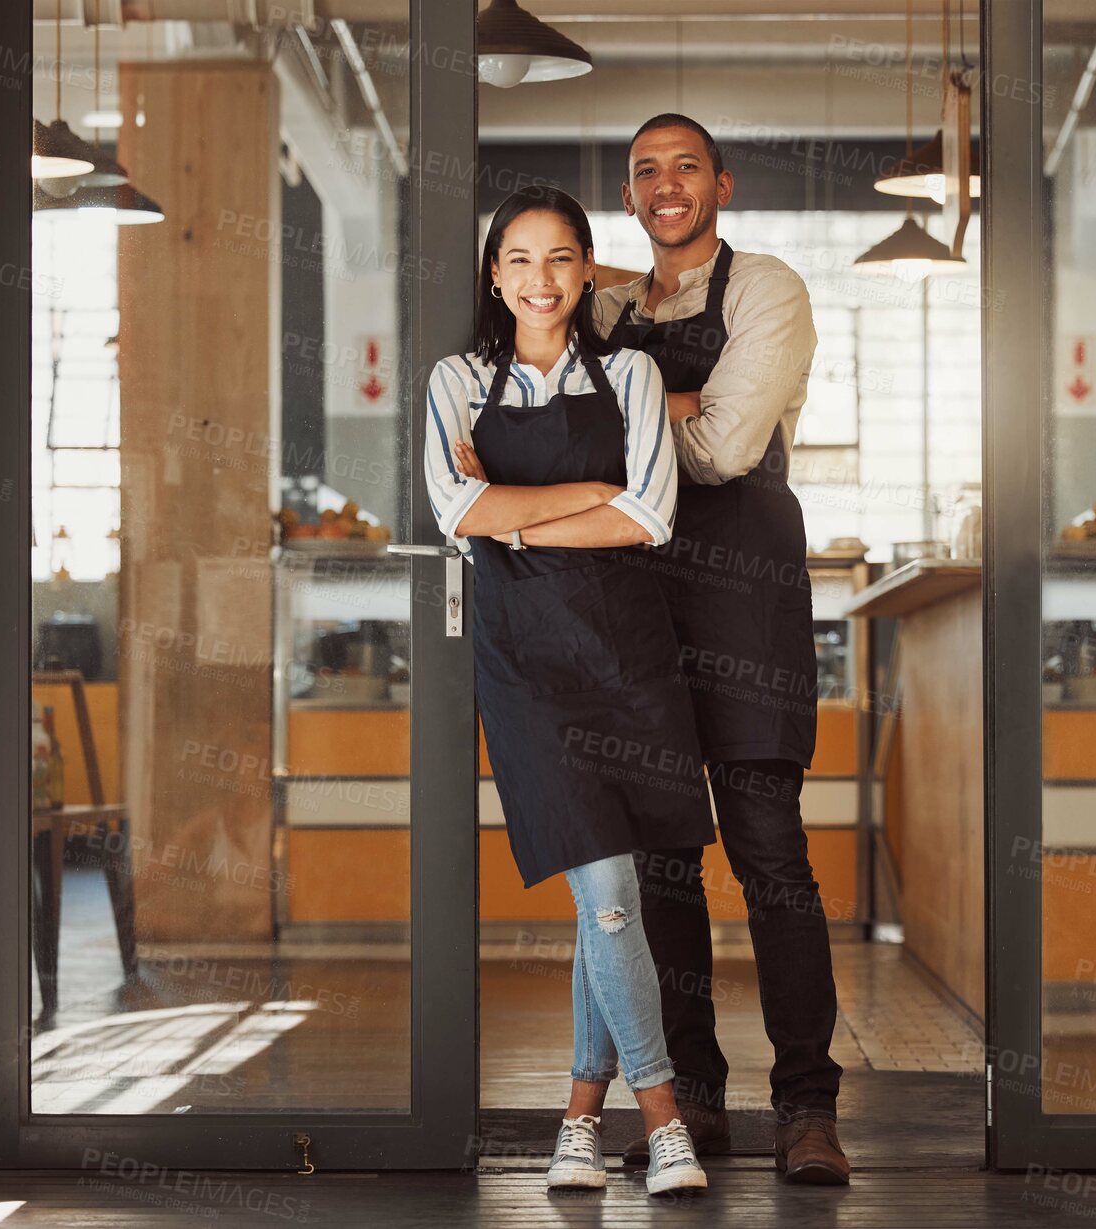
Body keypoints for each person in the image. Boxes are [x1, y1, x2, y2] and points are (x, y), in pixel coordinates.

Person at [424, 184, 712, 1197]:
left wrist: (514, 518)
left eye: (559, 259)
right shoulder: (456, 382)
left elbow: (650, 518)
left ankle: (581, 1121)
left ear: (587, 270)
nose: (539, 279)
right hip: (528, 670)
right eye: (518, 259)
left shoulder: (629, 370)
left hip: (629, 663)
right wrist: (581, 495)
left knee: (613, 902)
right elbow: (455, 506)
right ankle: (665, 1117)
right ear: (492, 275)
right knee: (609, 897)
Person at [596, 115, 850, 1184]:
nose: (667, 185)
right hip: (635, 608)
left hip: (746, 608)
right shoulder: (608, 305)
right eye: (646, 170)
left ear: (720, 184)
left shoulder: (768, 290)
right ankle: (692, 1101)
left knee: (770, 860)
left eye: (684, 167)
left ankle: (806, 1108)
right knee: (661, 864)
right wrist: (662, 403)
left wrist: (616, 414)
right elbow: (536, 400)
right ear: (629, 193)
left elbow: (726, 446)